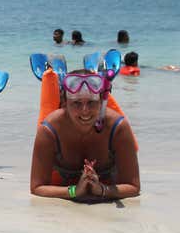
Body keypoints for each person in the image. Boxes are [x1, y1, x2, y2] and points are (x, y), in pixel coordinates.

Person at [30, 69, 140, 200]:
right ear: (64, 102)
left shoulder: (117, 128)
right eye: (76, 103)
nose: (85, 111)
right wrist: (74, 191)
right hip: (64, 184)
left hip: (105, 184)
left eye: (91, 102)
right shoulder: (49, 131)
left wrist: (102, 190)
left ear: (101, 102)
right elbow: (36, 187)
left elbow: (133, 187)